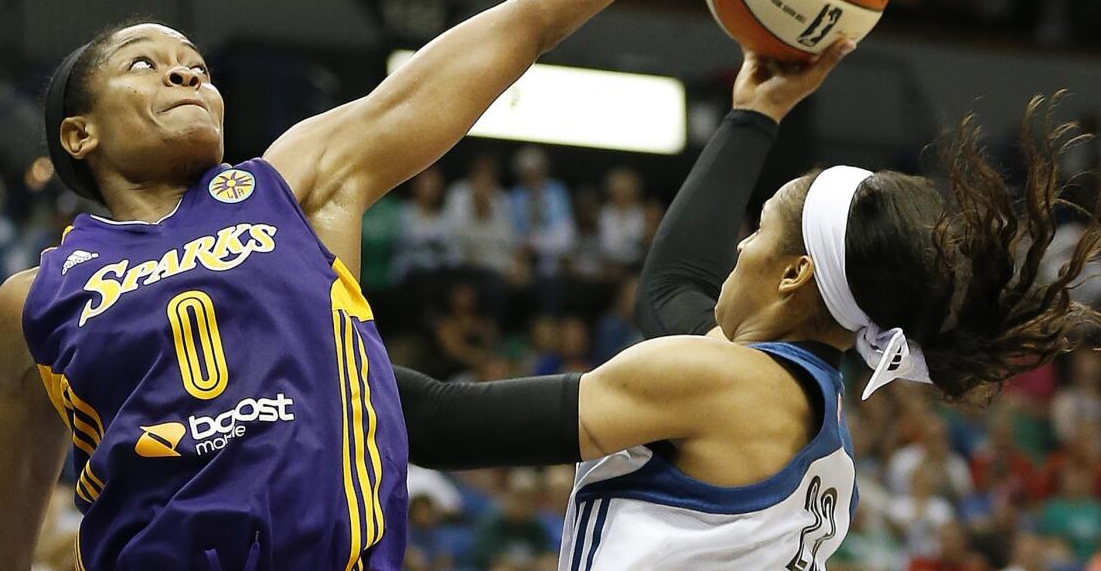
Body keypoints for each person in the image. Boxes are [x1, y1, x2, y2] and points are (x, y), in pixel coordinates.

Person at [0, 0, 854, 571]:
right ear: (79, 135)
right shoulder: (34, 298)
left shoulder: (298, 181)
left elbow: (534, 11)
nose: (184, 67)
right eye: (143, 62)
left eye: (196, 61)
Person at [395, 38, 1101, 569]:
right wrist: (754, 114)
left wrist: (299, 294)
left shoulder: (725, 386)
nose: (736, 247)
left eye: (757, 228)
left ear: (794, 274)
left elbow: (434, 423)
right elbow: (671, 289)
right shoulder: (808, 422)